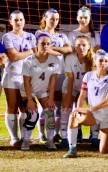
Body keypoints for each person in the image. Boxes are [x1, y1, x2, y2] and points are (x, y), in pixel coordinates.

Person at [63, 50, 108, 158]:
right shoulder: (88, 75)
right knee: (73, 117)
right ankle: (72, 149)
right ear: (95, 62)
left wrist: (88, 109)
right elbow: (82, 95)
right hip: (93, 115)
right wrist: (79, 108)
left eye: (106, 61)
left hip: (107, 115)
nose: (103, 63)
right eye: (100, 60)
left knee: (104, 150)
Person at [35, 8, 72, 144]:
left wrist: (53, 49)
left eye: (56, 19)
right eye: (51, 18)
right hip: (44, 74)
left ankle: (56, 133)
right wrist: (58, 51)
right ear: (45, 18)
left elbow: (69, 49)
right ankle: (41, 134)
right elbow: (43, 50)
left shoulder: (62, 36)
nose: (54, 21)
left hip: (60, 73)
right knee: (45, 107)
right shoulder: (39, 33)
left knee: (59, 106)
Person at [1, 10, 36, 147]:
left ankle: (24, 137)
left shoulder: (30, 36)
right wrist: (32, 51)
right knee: (12, 107)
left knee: (25, 108)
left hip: (26, 77)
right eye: (16, 20)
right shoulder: (7, 36)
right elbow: (13, 56)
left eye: (21, 20)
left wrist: (25, 53)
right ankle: (14, 138)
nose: (19, 22)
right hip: (12, 76)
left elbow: (34, 56)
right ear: (10, 22)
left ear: (24, 21)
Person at [20, 34, 61, 150]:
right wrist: (29, 100)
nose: (45, 46)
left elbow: (53, 82)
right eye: (42, 43)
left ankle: (49, 141)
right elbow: (26, 82)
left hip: (43, 91)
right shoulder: (28, 61)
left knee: (50, 112)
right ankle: (26, 141)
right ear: (36, 45)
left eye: (48, 44)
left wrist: (51, 98)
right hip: (28, 91)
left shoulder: (55, 60)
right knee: (33, 114)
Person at [59, 35, 94, 148]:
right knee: (66, 107)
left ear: (89, 46)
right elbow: (70, 79)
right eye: (78, 45)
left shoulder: (94, 58)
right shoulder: (70, 58)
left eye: (84, 45)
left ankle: (94, 135)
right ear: (75, 46)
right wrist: (69, 97)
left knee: (93, 106)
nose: (81, 47)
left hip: (89, 86)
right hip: (72, 85)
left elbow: (94, 80)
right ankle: (64, 137)